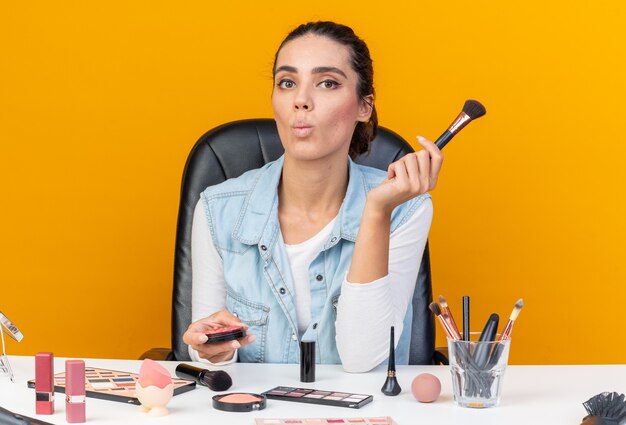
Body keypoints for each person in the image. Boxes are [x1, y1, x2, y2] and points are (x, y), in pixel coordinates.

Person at [182, 21, 443, 373]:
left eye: (327, 83)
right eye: (287, 83)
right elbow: (209, 350)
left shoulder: (405, 209)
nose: (301, 101)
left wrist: (377, 212)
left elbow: (362, 358)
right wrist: (213, 348)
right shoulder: (217, 209)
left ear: (364, 106)